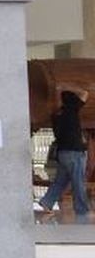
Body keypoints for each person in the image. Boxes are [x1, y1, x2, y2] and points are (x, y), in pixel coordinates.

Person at [39, 87, 90, 219]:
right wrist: (69, 86)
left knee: (60, 181)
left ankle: (47, 202)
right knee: (78, 182)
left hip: (63, 153)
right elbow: (85, 93)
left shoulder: (56, 115)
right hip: (75, 153)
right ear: (72, 101)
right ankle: (81, 211)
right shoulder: (71, 110)